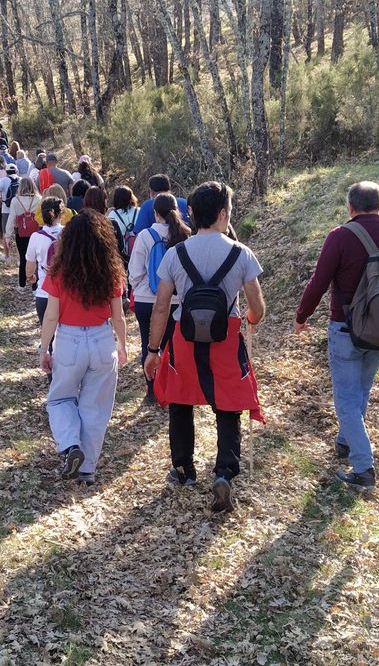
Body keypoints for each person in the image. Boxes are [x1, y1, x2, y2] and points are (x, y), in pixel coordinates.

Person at [144, 182, 265, 513]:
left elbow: (161, 307)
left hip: (184, 340)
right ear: (223, 214)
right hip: (225, 339)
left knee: (181, 402)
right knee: (228, 405)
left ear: (192, 214)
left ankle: (184, 469)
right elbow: (257, 307)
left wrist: (153, 350)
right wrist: (250, 319)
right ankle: (224, 471)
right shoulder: (241, 254)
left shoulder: (175, 254)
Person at [293, 181, 379, 492]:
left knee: (347, 400)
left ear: (351, 207)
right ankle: (345, 441)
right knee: (361, 391)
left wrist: (302, 316)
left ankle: (363, 468)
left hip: (346, 329)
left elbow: (319, 282)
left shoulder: (340, 236)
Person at [38, 210, 129, 486]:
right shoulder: (111, 273)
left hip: (69, 340)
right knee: (96, 407)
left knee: (60, 399)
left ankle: (70, 445)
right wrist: (123, 345)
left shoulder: (60, 273)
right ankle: (87, 469)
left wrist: (44, 348)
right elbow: (119, 316)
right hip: (102, 339)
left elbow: (51, 316)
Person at [128, 192, 190, 403]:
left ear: (155, 213)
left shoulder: (145, 236)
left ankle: (152, 390)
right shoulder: (185, 235)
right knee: (173, 346)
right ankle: (173, 388)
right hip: (175, 300)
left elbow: (135, 271)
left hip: (147, 299)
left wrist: (139, 287)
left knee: (148, 344)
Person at [27, 196, 65, 325]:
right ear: (62, 214)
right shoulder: (69, 233)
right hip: (66, 293)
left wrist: (30, 276)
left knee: (47, 332)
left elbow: (30, 265)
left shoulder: (36, 237)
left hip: (44, 292)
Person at [6, 177, 42, 291]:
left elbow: (11, 218)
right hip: (36, 232)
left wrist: (8, 235)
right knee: (36, 259)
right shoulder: (39, 199)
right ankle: (35, 287)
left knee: (23, 258)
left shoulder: (15, 200)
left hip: (21, 233)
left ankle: (21, 284)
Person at [105, 185, 140, 265]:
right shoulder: (139, 211)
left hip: (122, 255)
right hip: (138, 250)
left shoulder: (113, 215)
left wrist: (106, 214)